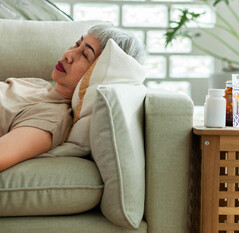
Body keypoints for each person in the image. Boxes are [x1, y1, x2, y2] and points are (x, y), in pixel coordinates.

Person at [0, 24, 147, 172]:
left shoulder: (51, 118)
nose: (68, 55)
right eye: (77, 44)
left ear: (98, 72)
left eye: (85, 55)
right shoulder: (38, 84)